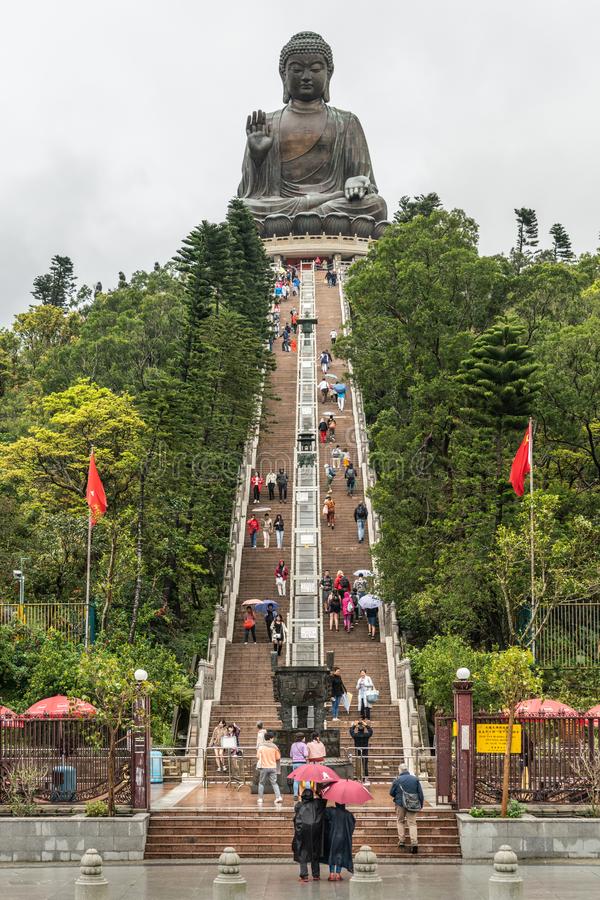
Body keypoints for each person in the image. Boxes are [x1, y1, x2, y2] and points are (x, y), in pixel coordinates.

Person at [293, 787, 326, 883]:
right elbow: (324, 800)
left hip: (302, 832)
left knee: (303, 852)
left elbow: (296, 812)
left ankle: (304, 876)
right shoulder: (317, 804)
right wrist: (318, 792)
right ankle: (316, 875)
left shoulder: (299, 805)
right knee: (314, 852)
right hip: (315, 832)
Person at [390, 763, 424, 853]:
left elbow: (391, 793)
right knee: (412, 823)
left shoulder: (397, 780)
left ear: (400, 770)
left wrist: (398, 796)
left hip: (400, 804)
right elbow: (420, 793)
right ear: (407, 770)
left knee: (400, 821)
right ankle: (414, 843)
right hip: (412, 804)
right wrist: (421, 804)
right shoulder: (415, 779)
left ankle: (401, 841)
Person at [324, 802, 355, 881]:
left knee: (332, 854)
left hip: (332, 836)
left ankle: (331, 874)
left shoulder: (331, 811)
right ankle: (338, 874)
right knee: (339, 855)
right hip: (343, 837)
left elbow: (324, 815)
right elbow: (352, 825)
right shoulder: (348, 814)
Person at [256, 730, 283, 806]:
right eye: (273, 738)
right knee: (274, 783)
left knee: (261, 783)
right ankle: (278, 797)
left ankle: (260, 798)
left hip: (264, 767)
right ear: (271, 738)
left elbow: (257, 756)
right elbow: (278, 757)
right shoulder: (274, 747)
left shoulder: (261, 747)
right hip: (273, 767)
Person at [290, 733, 309, 799]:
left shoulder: (293, 745)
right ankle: (308, 794)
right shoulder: (304, 745)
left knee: (296, 780)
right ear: (302, 738)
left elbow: (291, 755)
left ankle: (295, 795)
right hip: (302, 763)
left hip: (295, 763)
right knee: (306, 779)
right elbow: (306, 754)